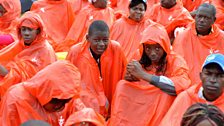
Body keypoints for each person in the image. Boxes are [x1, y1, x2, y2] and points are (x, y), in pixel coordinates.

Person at [109, 23, 191, 126]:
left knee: (165, 94)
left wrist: (144, 76)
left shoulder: (175, 60)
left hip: (160, 104)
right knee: (122, 85)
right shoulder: (139, 56)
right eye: (148, 48)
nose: (152, 53)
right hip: (141, 100)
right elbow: (129, 78)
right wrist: (129, 77)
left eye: (157, 48)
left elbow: (182, 86)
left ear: (165, 46)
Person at [0, 61, 104, 126]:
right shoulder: (15, 98)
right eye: (56, 102)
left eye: (64, 103)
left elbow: (84, 114)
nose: (60, 107)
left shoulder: (68, 97)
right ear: (45, 92)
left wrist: (86, 120)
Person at [66, 20, 126, 117]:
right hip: (85, 108)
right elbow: (68, 82)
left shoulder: (115, 49)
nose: (102, 44)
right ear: (88, 38)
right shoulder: (76, 52)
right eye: (97, 40)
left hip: (111, 102)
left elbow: (124, 76)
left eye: (105, 40)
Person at [0, 12, 57, 98]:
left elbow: (14, 77)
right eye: (23, 29)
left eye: (30, 29)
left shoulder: (45, 51)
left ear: (38, 31)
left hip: (32, 95)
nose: (26, 33)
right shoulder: (20, 44)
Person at [160, 53, 224, 126]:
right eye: (208, 74)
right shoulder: (185, 97)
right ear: (200, 76)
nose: (212, 80)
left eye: (220, 75)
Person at [173, 3, 224, 85]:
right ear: (195, 17)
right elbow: (177, 68)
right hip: (189, 87)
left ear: (214, 20)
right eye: (199, 16)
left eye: (206, 18)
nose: (202, 20)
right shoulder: (182, 37)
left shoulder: (222, 38)